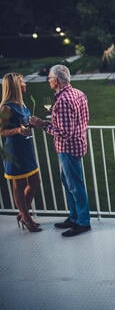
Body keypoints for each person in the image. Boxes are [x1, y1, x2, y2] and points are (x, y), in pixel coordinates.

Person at [30, 65, 91, 237]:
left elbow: (64, 133)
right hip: (77, 144)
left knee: (75, 185)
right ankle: (74, 218)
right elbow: (84, 119)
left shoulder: (63, 101)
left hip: (68, 148)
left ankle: (83, 222)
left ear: (56, 80)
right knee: (69, 183)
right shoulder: (79, 93)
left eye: (49, 78)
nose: (48, 81)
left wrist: (42, 124)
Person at [0, 73, 41, 232]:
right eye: (23, 81)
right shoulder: (6, 107)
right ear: (15, 85)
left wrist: (32, 123)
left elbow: (25, 121)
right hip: (15, 152)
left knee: (35, 181)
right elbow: (1, 130)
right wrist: (17, 129)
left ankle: (22, 213)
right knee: (19, 185)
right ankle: (26, 217)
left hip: (27, 149)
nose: (25, 83)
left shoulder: (22, 104)